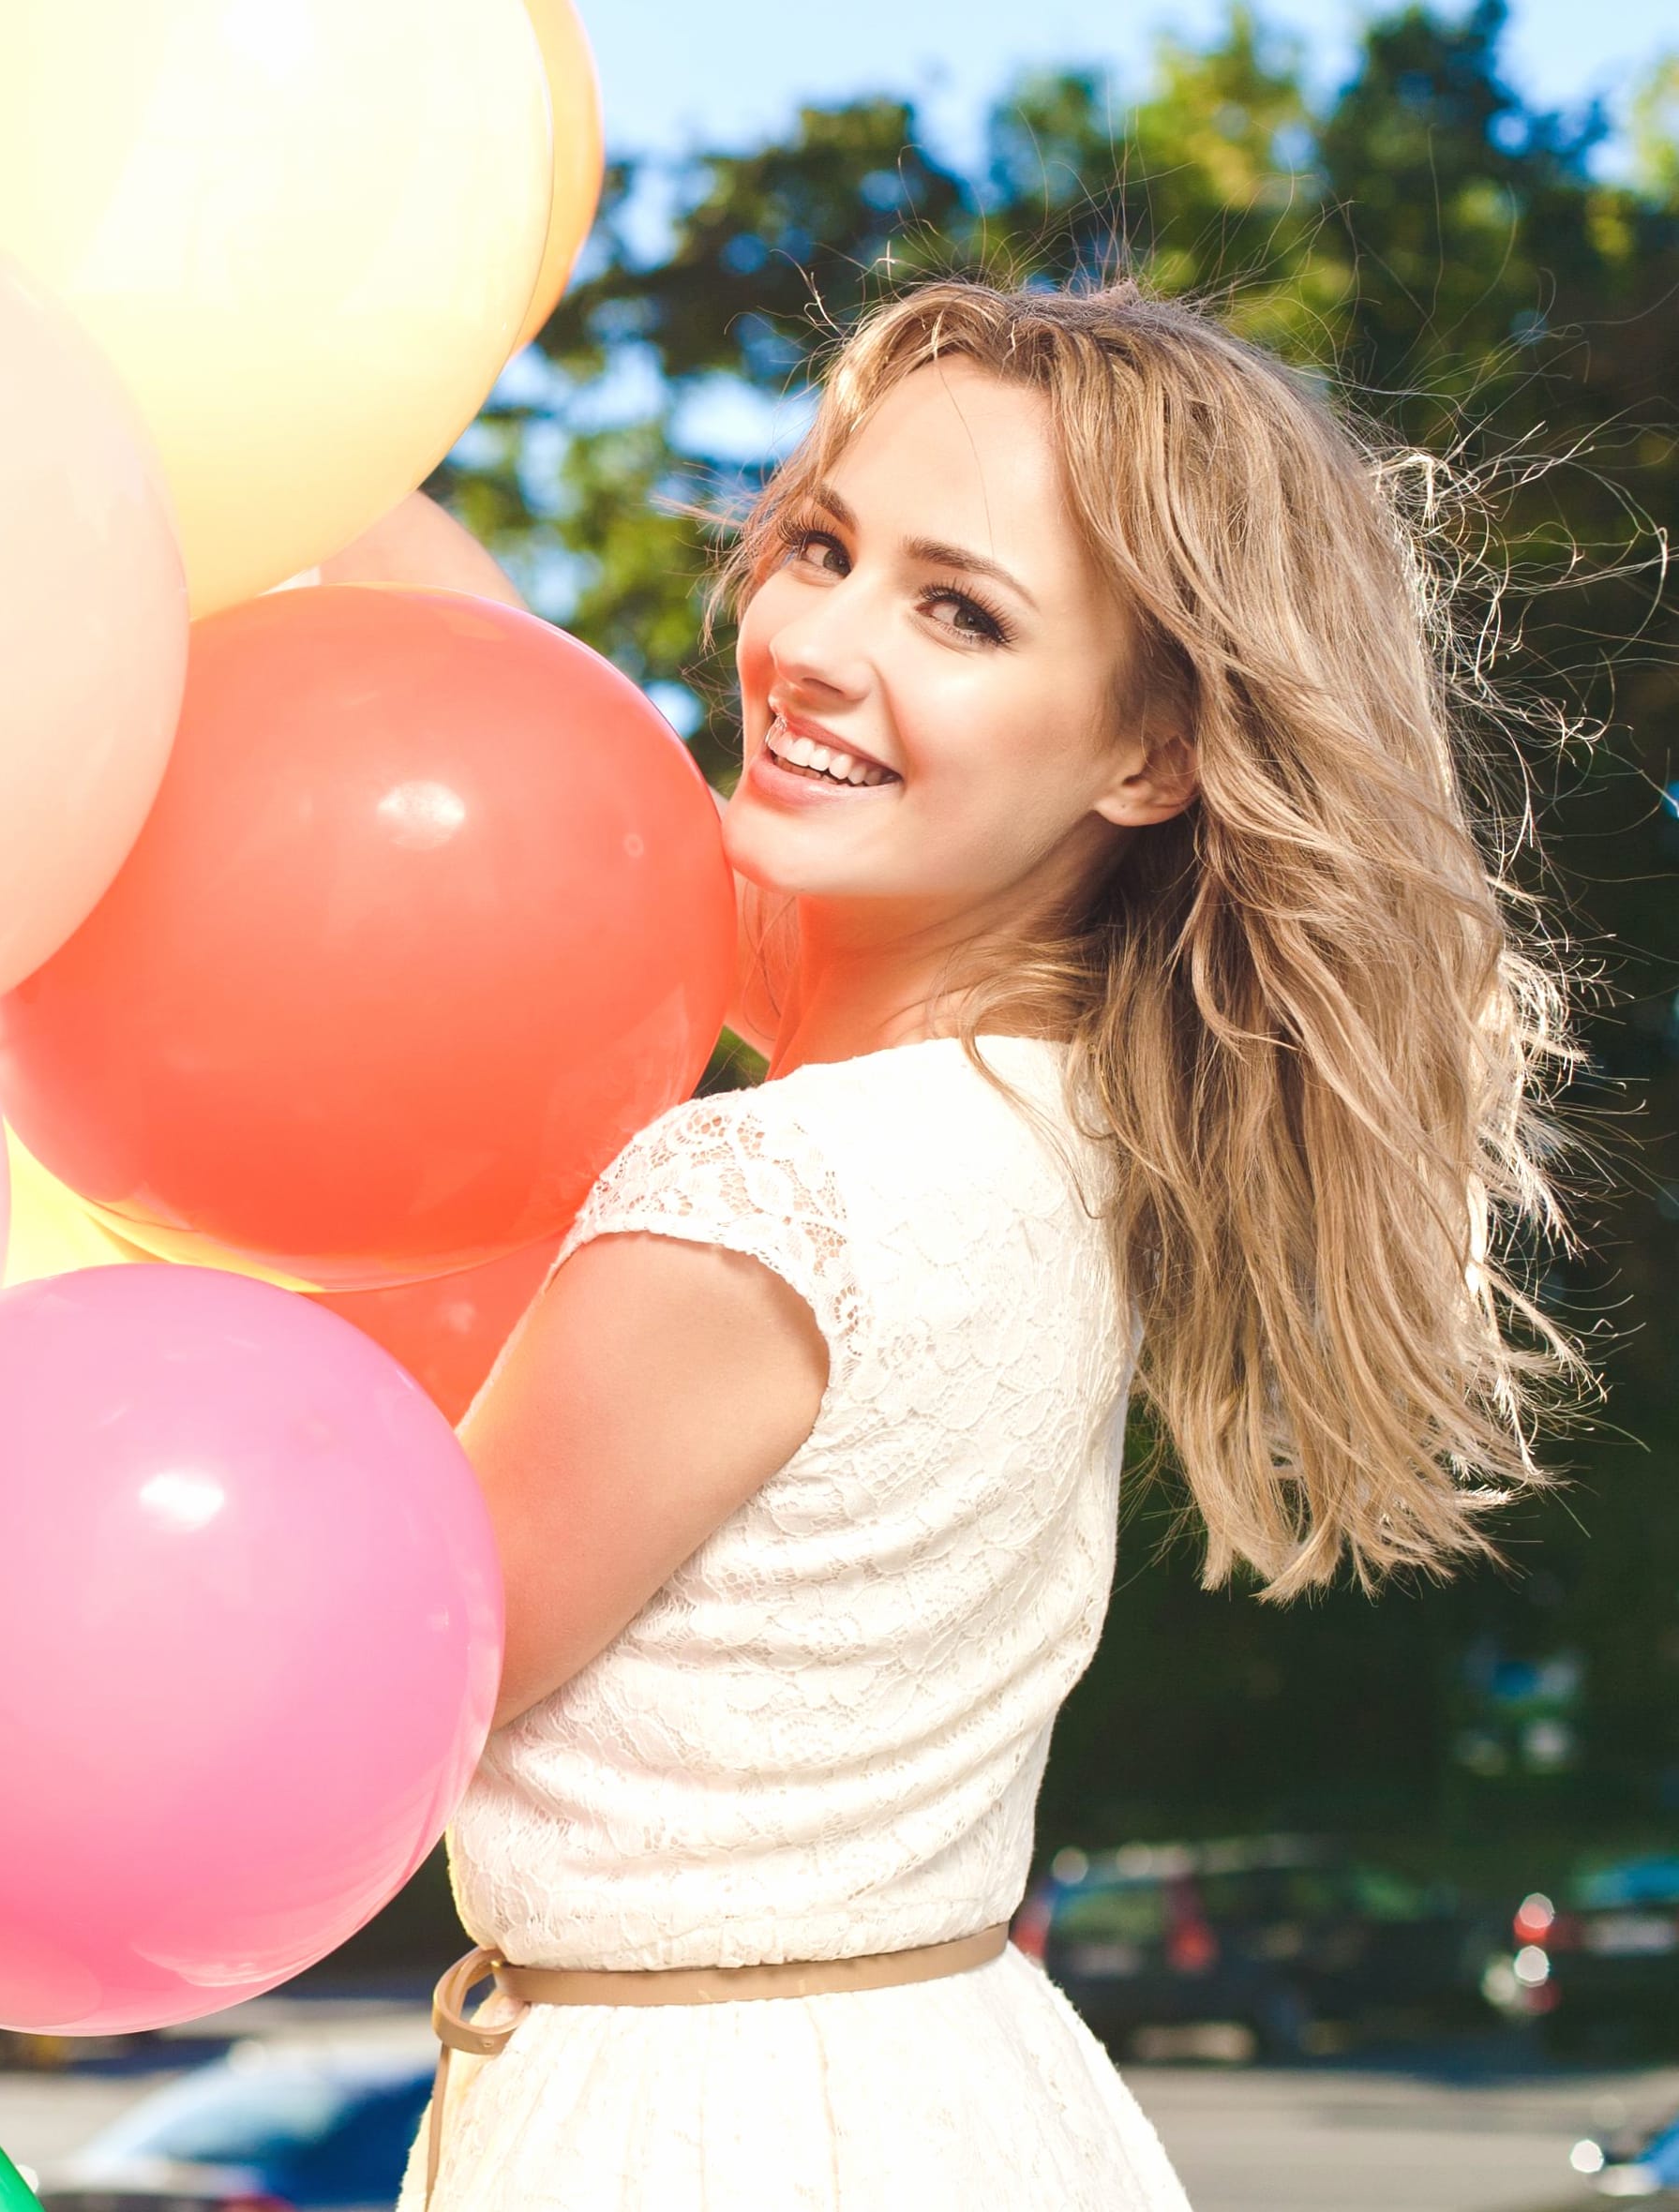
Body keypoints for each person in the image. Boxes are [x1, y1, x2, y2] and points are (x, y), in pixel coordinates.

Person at [399, 278, 1578, 2208]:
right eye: (822, 548)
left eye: (960, 611)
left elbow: (372, 1694)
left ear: (1146, 756)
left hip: (694, 2139)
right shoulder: (1075, 1136)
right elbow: (562, 810)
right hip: (958, 2081)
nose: (815, 646)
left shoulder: (758, 1200)